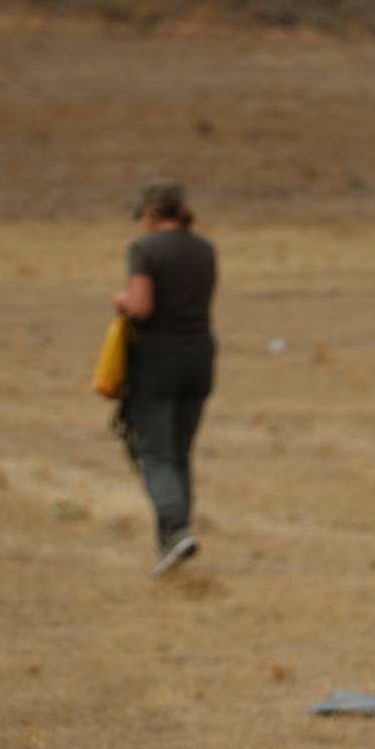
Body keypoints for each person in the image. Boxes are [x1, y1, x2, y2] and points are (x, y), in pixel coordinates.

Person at [112, 182, 217, 577]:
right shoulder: (205, 249)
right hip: (200, 360)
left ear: (152, 213)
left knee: (155, 453)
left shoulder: (146, 250)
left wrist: (121, 301)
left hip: (156, 364)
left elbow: (141, 306)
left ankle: (174, 531)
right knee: (179, 451)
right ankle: (175, 543)